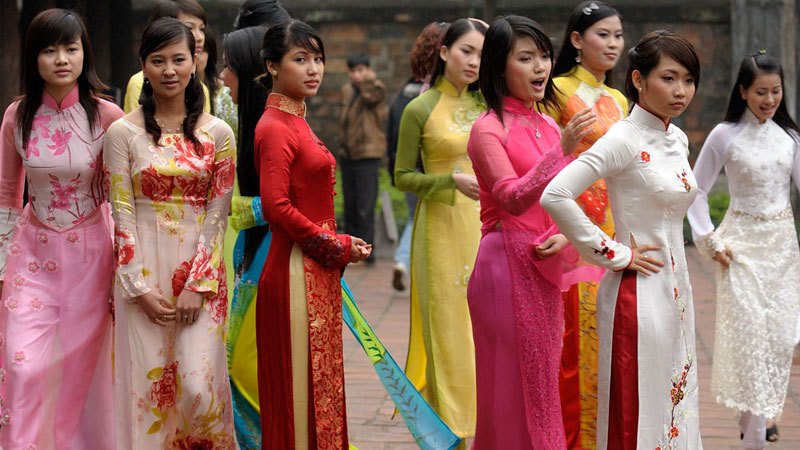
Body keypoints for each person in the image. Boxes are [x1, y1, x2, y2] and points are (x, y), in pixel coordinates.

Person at [541, 30, 703, 449]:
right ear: (637, 80)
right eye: (668, 78)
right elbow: (555, 194)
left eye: (688, 79)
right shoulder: (623, 137)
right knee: (636, 408)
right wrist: (613, 253)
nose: (680, 90)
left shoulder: (678, 138)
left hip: (678, 291)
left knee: (675, 399)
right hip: (637, 295)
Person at [467, 15, 601, 449]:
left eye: (544, 56)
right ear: (499, 67)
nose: (541, 67)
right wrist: (561, 151)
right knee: (509, 390)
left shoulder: (546, 124)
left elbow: (561, 196)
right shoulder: (488, 128)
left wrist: (566, 234)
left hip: (544, 265)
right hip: (503, 267)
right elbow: (510, 197)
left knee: (542, 383)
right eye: (526, 58)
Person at [105, 18, 236, 447]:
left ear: (195, 61)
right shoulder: (122, 133)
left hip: (200, 273)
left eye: (178, 59)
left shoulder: (218, 134)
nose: (169, 70)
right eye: (157, 61)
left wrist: (198, 284)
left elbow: (218, 218)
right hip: (141, 273)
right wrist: (137, 287)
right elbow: (121, 215)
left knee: (199, 387)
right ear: (143, 65)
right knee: (148, 392)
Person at [0, 9, 123, 449]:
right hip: (30, 255)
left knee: (81, 372)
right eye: (49, 50)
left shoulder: (108, 117)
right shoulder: (17, 116)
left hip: (92, 257)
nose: (61, 59)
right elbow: (7, 195)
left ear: (83, 54)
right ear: (35, 58)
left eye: (70, 48)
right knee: (22, 364)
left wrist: (128, 262)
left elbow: (120, 195)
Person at [254, 20, 371, 449]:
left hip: (314, 265)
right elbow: (277, 207)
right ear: (272, 66)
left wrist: (340, 244)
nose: (313, 69)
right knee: (299, 388)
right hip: (293, 271)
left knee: (321, 384)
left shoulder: (297, 120)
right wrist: (335, 245)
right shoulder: (275, 127)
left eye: (318, 59)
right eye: (300, 59)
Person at [687, 51, 800, 450]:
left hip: (783, 251)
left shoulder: (790, 139)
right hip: (740, 251)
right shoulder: (724, 136)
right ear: (743, 92)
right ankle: (754, 437)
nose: (769, 100)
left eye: (775, 92)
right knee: (751, 343)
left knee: (779, 340)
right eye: (760, 92)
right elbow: (696, 191)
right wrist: (709, 240)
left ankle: (750, 416)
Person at [394, 17, 487, 441]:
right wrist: (449, 180)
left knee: (482, 328)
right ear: (445, 52)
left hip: (485, 227)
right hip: (438, 229)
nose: (474, 61)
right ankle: (449, 431)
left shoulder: (487, 105)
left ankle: (483, 423)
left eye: (483, 54)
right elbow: (401, 176)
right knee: (448, 331)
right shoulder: (419, 108)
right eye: (466, 51)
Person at [546, 2, 626, 448]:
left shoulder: (619, 100)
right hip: (570, 231)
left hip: (614, 232)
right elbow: (546, 161)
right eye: (603, 35)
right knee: (572, 346)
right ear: (576, 40)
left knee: (608, 342)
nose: (613, 44)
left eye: (618, 35)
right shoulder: (555, 91)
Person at [219, 25, 270, 449]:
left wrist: (231, 209)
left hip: (271, 259)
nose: (222, 77)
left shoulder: (267, 129)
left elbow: (287, 202)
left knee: (242, 368)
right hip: (255, 255)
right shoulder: (250, 123)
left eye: (229, 67)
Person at [388, 21, 448, 290]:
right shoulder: (427, 102)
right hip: (430, 176)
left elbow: (392, 136)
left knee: (416, 219)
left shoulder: (403, 95)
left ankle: (403, 261)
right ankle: (403, 259)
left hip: (412, 169)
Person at [338, 53, 388, 264]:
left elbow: (370, 97)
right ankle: (351, 250)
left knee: (365, 206)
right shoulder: (346, 90)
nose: (357, 75)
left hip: (368, 154)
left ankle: (368, 252)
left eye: (361, 71)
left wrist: (368, 79)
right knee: (350, 204)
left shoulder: (375, 87)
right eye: (353, 71)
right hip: (348, 154)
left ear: (368, 70)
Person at [122, 0, 212, 114]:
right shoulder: (138, 83)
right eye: (189, 28)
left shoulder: (202, 88)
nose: (199, 37)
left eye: (202, 29)